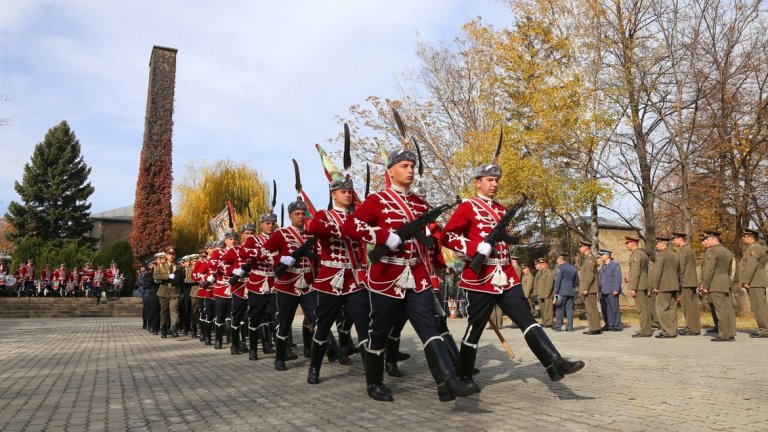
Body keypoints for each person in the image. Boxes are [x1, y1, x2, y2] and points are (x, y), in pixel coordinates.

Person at [344, 148, 478, 403]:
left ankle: (447, 381)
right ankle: (374, 383)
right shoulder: (377, 200)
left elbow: (431, 241)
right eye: (404, 166)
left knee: (430, 326)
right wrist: (384, 236)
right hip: (386, 277)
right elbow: (351, 226)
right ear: (390, 171)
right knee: (379, 332)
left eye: (411, 166)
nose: (409, 170)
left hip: (417, 276)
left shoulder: (419, 204)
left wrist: (449, 258)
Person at [441, 161, 584, 398]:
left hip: (506, 276)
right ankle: (463, 375)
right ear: (478, 182)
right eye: (489, 180)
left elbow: (504, 242)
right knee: (475, 328)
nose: (494, 184)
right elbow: (448, 237)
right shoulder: (468, 207)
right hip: (481, 277)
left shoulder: (500, 209)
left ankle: (554, 362)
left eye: (497, 180)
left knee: (527, 320)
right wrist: (477, 246)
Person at [304, 177, 370, 384]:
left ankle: (372, 375)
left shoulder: (357, 217)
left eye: (350, 191)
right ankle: (314, 367)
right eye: (343, 191)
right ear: (333, 194)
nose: (348, 194)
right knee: (323, 326)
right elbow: (313, 227)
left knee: (364, 325)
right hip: (329, 279)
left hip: (353, 279)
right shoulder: (324, 215)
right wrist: (344, 229)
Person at [261, 199, 318, 371]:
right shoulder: (282, 234)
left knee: (317, 320)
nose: (301, 217)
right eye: (297, 214)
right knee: (284, 322)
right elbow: (264, 252)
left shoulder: (310, 235)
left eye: (303, 214)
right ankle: (280, 357)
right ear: (290, 216)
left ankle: (317, 354)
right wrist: (281, 260)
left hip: (308, 284)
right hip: (287, 284)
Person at [699, 230, 736, 342]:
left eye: (707, 239)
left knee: (720, 309)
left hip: (715, 283)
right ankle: (730, 333)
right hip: (725, 282)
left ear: (713, 239)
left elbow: (709, 270)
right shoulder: (727, 252)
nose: (706, 241)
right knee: (727, 309)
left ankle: (724, 334)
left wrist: (705, 285)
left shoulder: (713, 252)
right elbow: (729, 270)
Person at [739, 228, 768, 338]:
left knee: (759, 307)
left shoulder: (754, 249)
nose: (743, 238)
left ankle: (764, 330)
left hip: (755, 281)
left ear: (751, 237)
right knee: (760, 306)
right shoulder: (757, 248)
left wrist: (746, 281)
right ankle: (764, 328)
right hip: (757, 281)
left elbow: (751, 266)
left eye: (745, 236)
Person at [651, 235, 680, 338]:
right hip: (674, 285)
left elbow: (657, 272)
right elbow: (678, 272)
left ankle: (667, 331)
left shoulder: (661, 255)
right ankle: (672, 330)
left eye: (657, 243)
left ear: (662, 244)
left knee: (661, 309)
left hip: (663, 285)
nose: (656, 246)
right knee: (671, 309)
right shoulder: (675, 255)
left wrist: (655, 285)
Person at [672, 232, 701, 336]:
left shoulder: (682, 251)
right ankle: (696, 327)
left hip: (685, 282)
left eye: (674, 239)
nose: (673, 241)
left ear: (680, 239)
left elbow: (681, 268)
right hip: (692, 281)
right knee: (693, 306)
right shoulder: (691, 250)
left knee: (687, 307)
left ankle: (691, 328)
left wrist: (678, 283)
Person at [626, 236, 652, 338]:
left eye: (627, 243)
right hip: (643, 283)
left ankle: (645, 331)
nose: (626, 245)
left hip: (639, 285)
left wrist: (633, 287)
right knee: (644, 308)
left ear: (633, 243)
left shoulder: (637, 254)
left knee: (642, 309)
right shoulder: (643, 253)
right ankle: (646, 329)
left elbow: (636, 271)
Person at [578, 241, 601, 335]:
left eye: (581, 246)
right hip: (589, 288)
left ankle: (595, 328)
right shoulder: (587, 258)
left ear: (586, 247)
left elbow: (590, 275)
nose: (580, 248)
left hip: (590, 288)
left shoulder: (590, 258)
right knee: (589, 309)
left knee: (592, 309)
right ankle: (593, 327)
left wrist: (586, 287)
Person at [597, 250, 622, 331]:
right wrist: (599, 291)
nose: (601, 256)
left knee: (614, 308)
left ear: (608, 255)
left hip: (612, 290)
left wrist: (616, 289)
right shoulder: (603, 266)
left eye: (602, 255)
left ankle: (617, 325)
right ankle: (609, 324)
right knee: (606, 309)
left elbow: (618, 278)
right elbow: (600, 280)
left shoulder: (615, 265)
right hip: (604, 290)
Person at [552, 254, 578, 332]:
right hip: (570, 292)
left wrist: (555, 292)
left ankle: (558, 326)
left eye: (557, 261)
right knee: (569, 309)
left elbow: (558, 281)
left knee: (559, 309)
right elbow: (576, 281)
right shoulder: (573, 268)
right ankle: (570, 327)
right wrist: (571, 286)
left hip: (561, 292)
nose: (557, 263)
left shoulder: (561, 268)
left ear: (560, 260)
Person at [533, 258, 555, 327]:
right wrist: (536, 293)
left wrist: (547, 293)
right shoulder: (540, 272)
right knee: (542, 309)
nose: (541, 265)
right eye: (540, 264)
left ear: (546, 265)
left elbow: (550, 284)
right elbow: (537, 283)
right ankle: (544, 321)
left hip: (547, 294)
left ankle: (549, 322)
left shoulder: (549, 272)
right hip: (540, 294)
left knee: (548, 309)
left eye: (543, 264)